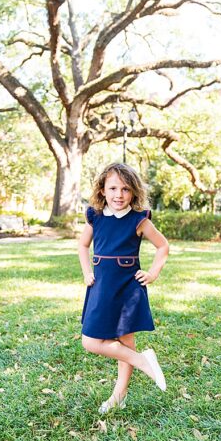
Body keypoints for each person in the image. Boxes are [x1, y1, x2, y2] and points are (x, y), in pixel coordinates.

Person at [77, 163, 170, 414]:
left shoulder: (138, 220)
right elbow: (83, 246)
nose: (119, 194)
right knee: (90, 341)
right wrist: (87, 271)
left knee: (125, 341)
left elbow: (163, 246)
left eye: (126, 189)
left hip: (128, 288)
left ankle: (119, 396)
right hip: (101, 287)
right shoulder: (95, 216)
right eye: (113, 188)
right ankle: (143, 361)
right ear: (102, 190)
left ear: (134, 192)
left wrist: (152, 273)